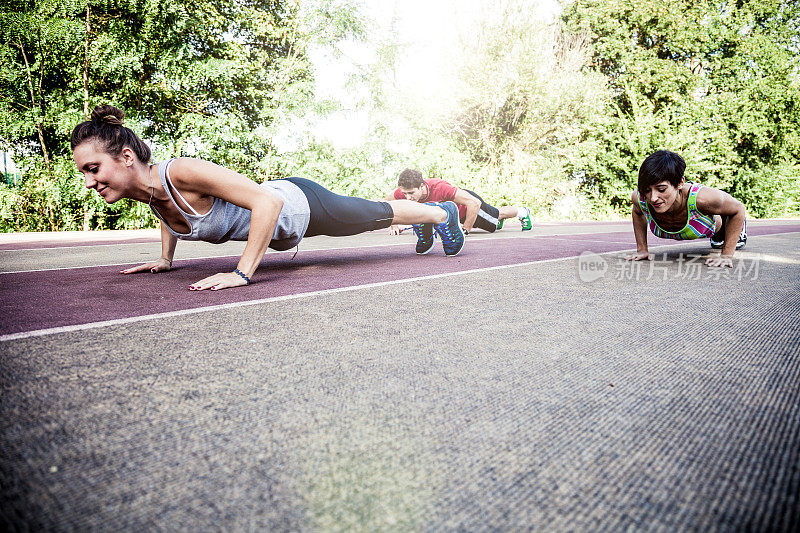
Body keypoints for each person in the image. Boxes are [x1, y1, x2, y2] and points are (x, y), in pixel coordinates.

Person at [71, 105, 466, 291]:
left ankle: (442, 213)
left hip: (300, 205)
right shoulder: (148, 188)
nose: (89, 182)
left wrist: (241, 274)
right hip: (288, 211)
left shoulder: (182, 171)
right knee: (377, 215)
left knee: (379, 214)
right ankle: (430, 218)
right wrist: (165, 258)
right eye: (83, 173)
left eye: (93, 169)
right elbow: (165, 209)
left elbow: (268, 204)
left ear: (125, 158)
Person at [626, 150, 747, 268]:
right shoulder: (640, 199)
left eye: (661, 189)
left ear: (680, 183)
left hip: (718, 227)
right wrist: (642, 249)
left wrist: (726, 255)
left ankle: (738, 228)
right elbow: (637, 212)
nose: (653, 198)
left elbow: (739, 209)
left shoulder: (703, 199)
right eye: (647, 190)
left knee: (720, 242)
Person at [385, 168, 532, 254]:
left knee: (496, 218)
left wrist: (466, 230)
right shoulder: (404, 192)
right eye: (405, 194)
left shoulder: (440, 188)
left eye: (411, 193)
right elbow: (387, 202)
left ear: (422, 186)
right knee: (495, 217)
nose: (407, 197)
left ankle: (523, 212)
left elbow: (474, 203)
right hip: (454, 218)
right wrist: (394, 224)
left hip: (468, 209)